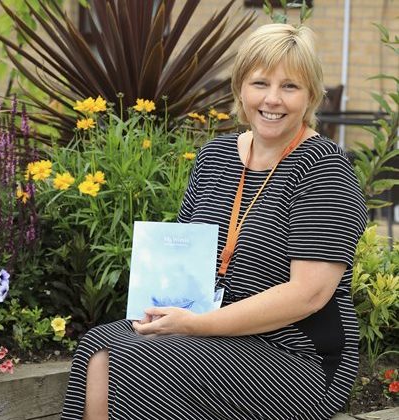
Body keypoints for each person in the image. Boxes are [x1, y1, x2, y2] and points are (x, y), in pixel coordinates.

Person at [61, 23, 368, 420]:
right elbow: (187, 256)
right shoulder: (215, 157)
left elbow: (308, 295)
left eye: (290, 87)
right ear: (241, 88)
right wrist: (165, 305)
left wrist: (197, 325)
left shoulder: (324, 168)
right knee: (99, 347)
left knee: (144, 361)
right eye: (260, 83)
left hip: (297, 354)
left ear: (310, 95)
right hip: (207, 324)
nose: (273, 99)